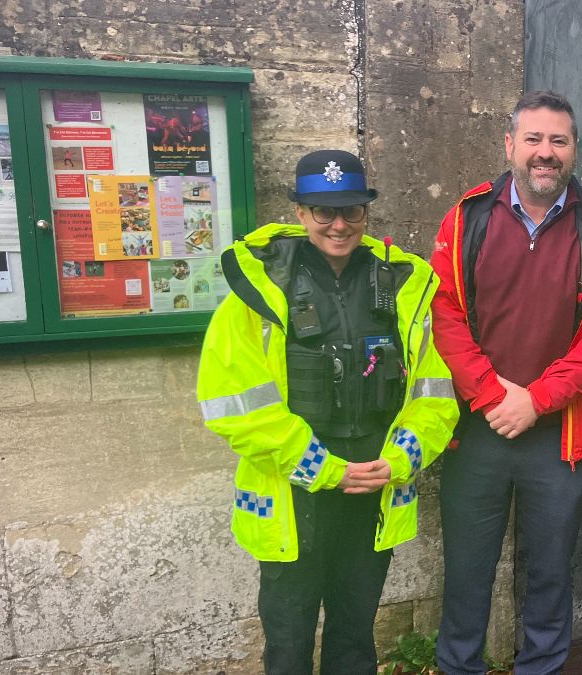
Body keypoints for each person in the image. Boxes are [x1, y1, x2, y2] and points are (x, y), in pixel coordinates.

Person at [197, 150, 459, 674]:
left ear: (366, 212)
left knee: (355, 635)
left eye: (352, 211)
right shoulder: (256, 291)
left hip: (373, 487)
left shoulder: (404, 289)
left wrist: (400, 460)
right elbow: (236, 407)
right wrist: (327, 471)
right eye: (323, 212)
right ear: (299, 212)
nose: (339, 225)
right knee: (289, 639)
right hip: (295, 495)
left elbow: (435, 394)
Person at [429, 90, 582, 675]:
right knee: (467, 570)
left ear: (574, 150)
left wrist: (537, 399)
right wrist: (494, 397)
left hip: (559, 433)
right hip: (479, 428)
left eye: (559, 141)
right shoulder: (466, 219)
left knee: (551, 573)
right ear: (510, 145)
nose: (545, 153)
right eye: (534, 139)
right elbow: (443, 312)